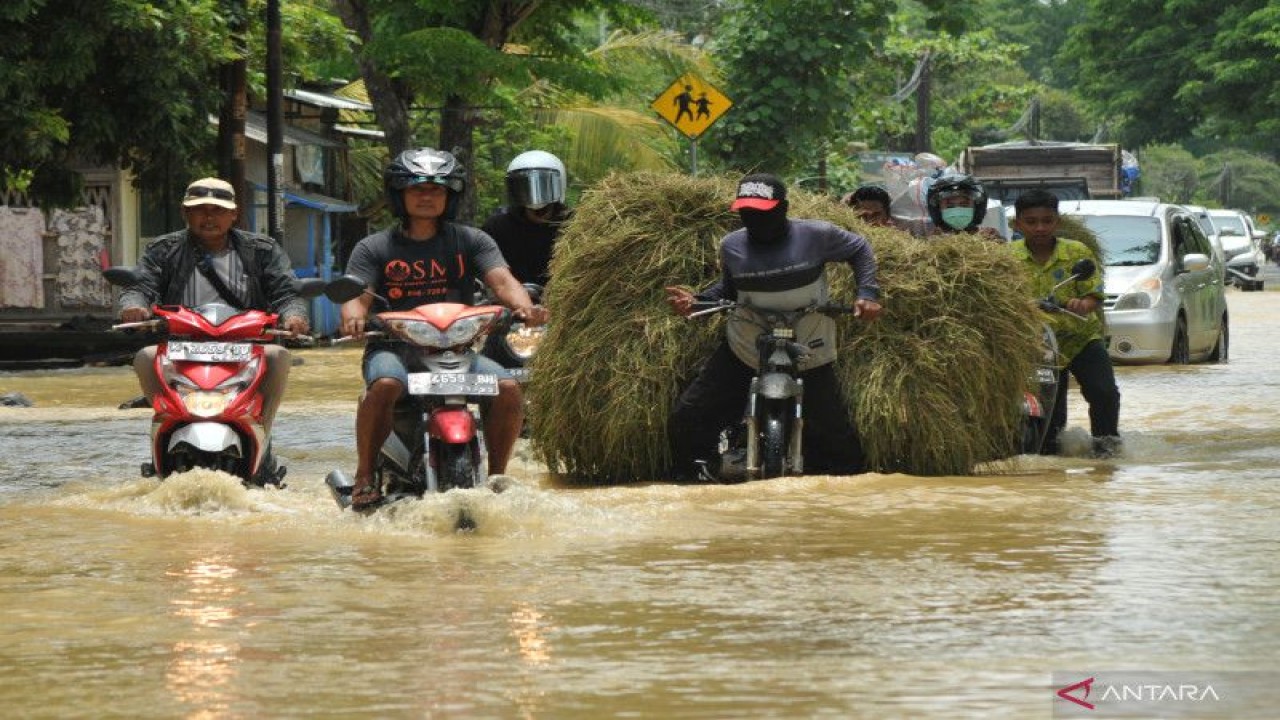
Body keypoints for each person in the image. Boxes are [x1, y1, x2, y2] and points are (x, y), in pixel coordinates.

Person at [340, 147, 548, 510]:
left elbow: (502, 280)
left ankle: (497, 476)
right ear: (399, 194)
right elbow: (356, 292)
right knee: (385, 383)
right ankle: (364, 474)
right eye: (417, 188)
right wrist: (353, 315)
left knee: (510, 387)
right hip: (393, 347)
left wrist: (525, 307)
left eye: (436, 189)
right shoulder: (373, 247)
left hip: (457, 349)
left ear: (449, 196)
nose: (426, 196)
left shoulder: (472, 240)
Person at [664, 173, 883, 481]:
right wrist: (696, 301)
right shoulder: (732, 246)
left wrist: (867, 294)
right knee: (689, 416)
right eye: (747, 212)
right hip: (747, 345)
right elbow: (730, 290)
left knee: (838, 438)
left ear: (783, 209)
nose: (754, 219)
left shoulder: (817, 235)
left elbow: (860, 249)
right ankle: (694, 477)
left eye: (763, 212)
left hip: (808, 344)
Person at [117, 177, 308, 465]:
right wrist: (134, 306)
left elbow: (286, 291)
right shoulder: (163, 249)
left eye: (218, 210)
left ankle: (261, 430)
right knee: (144, 357)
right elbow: (139, 286)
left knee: (279, 356)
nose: (209, 217)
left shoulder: (262, 250)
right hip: (182, 346)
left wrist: (294, 315)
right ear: (185, 213)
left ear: (234, 214)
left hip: (246, 345)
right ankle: (165, 422)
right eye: (200, 209)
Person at [1009, 189, 1121, 458]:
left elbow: (1094, 294)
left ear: (1057, 222)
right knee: (1049, 413)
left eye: (1047, 221)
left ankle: (1107, 450)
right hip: (1039, 346)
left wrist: (1082, 304)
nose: (1040, 228)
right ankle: (1049, 460)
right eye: (1031, 221)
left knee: (1104, 393)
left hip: (1081, 338)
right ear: (1018, 224)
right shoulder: (1008, 258)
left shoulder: (1077, 252)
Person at [481, 150, 571, 286]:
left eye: (543, 185)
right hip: (510, 302)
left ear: (559, 184)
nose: (534, 197)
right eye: (525, 187)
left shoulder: (573, 225)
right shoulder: (497, 227)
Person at [924, 171, 1003, 240]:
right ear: (938, 210)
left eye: (964, 205)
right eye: (950, 206)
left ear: (976, 208)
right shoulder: (933, 241)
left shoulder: (990, 237)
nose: (957, 210)